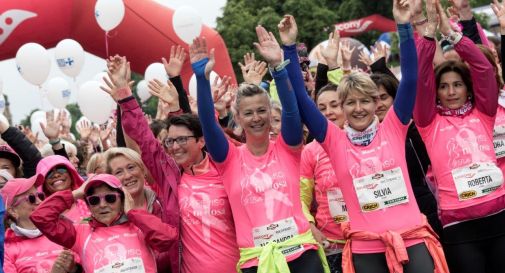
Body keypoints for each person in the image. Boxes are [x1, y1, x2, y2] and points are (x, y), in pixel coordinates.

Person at [284, 2, 447, 273]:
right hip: (366, 248)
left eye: (365, 101)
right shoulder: (333, 140)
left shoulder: (393, 126)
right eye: (350, 103)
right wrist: (289, 48)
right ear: (342, 107)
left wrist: (404, 26)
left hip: (412, 239)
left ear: (375, 103)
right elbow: (302, 100)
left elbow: (409, 80)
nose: (358, 109)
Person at [191, 26, 326, 272]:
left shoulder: (288, 148)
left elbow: (292, 110)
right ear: (238, 119)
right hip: (258, 261)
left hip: (302, 254)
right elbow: (208, 125)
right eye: (249, 113)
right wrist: (201, 79)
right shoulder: (228, 158)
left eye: (262, 110)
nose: (257, 118)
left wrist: (278, 67)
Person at [101, 53, 240, 271]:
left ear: (202, 141)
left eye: (182, 140)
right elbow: (146, 142)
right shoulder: (171, 177)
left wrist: (180, 105)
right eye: (170, 141)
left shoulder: (225, 168)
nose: (174, 147)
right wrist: (125, 98)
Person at [415, 1, 505, 272]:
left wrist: (452, 34)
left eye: (457, 85)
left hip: (500, 218)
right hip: (458, 227)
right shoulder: (428, 122)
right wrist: (429, 36)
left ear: (468, 89)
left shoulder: (484, 112)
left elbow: (483, 69)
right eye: (443, 86)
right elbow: (421, 79)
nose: (451, 91)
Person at [30, 173, 178, 273]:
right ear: (88, 205)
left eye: (110, 198)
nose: (102, 205)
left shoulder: (140, 226)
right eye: (94, 200)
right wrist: (77, 193)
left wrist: (133, 212)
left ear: (122, 199)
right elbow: (40, 217)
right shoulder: (80, 233)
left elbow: (168, 238)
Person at [300, 83, 347, 273]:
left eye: (334, 105)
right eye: (322, 108)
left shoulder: (363, 140)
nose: (329, 112)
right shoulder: (310, 151)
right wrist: (311, 227)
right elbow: (301, 197)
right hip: (333, 244)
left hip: (368, 238)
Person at [1, 175, 79, 273]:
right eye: (31, 198)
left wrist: (74, 268)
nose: (40, 201)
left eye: (40, 196)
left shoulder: (61, 231)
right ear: (12, 211)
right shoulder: (6, 248)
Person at [36, 155, 89, 223]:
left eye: (61, 169)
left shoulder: (90, 197)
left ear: (71, 174)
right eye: (49, 173)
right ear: (43, 184)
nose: (56, 175)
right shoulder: (43, 212)